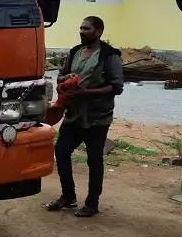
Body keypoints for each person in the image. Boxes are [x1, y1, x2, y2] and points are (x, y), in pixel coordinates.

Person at [46, 16, 124, 218]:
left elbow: (116, 87)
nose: (81, 31)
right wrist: (64, 84)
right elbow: (62, 75)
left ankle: (92, 204)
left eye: (86, 29)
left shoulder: (110, 56)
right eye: (80, 28)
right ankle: (68, 196)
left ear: (98, 32)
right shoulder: (75, 52)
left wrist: (86, 93)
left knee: (94, 160)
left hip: (97, 118)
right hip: (74, 115)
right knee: (61, 152)